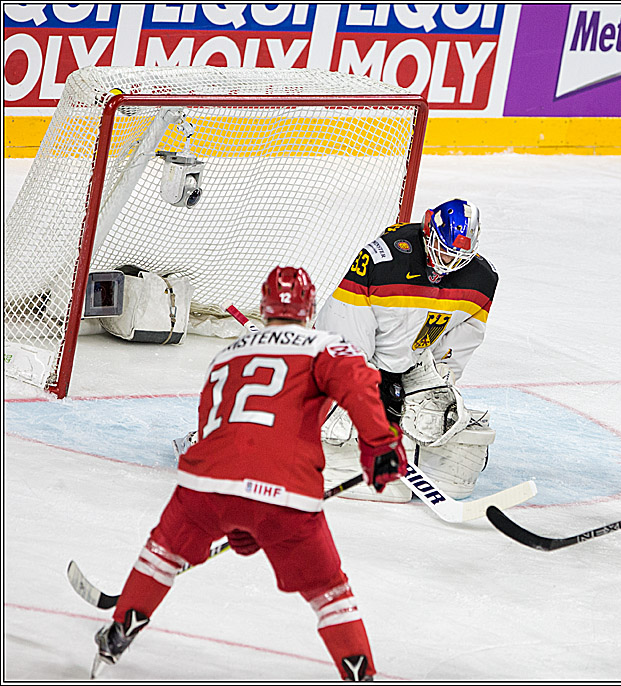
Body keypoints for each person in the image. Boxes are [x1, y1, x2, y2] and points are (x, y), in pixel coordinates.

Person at [90, 266, 408, 681]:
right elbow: (358, 382)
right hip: (286, 493)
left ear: (265, 306)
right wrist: (380, 445)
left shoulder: (228, 354)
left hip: (205, 485)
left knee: (163, 554)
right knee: (329, 592)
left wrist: (236, 516)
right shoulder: (324, 345)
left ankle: (120, 629)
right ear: (309, 308)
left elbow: (209, 425)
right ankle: (360, 674)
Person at [314, 199, 499, 503]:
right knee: (344, 413)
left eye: (459, 257)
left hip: (409, 363)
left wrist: (435, 379)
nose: (449, 264)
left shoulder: (482, 280)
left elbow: (461, 340)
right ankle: (328, 460)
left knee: (437, 416)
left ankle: (422, 462)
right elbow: (343, 323)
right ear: (428, 232)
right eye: (443, 250)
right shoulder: (383, 260)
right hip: (352, 354)